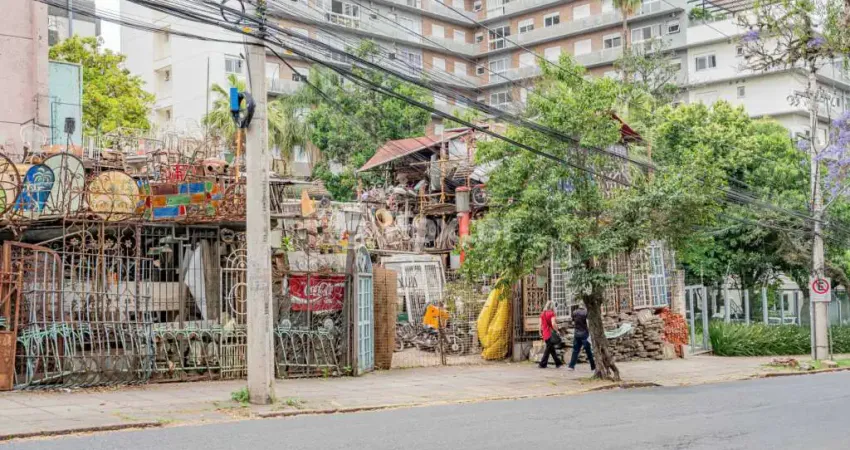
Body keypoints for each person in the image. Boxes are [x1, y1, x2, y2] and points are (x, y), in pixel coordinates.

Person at [568, 304, 596, 372]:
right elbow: (588, 323)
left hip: (577, 333)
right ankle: (593, 366)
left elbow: (573, 322)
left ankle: (571, 366)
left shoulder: (574, 312)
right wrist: (590, 332)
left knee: (575, 350)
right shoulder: (586, 312)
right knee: (588, 351)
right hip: (584, 334)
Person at [538, 302, 563, 368]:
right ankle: (542, 364)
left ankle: (558, 363)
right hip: (550, 334)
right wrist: (557, 331)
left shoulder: (542, 314)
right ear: (552, 307)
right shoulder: (552, 313)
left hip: (545, 333)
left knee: (551, 349)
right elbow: (553, 324)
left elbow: (540, 324)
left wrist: (540, 332)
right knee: (548, 349)